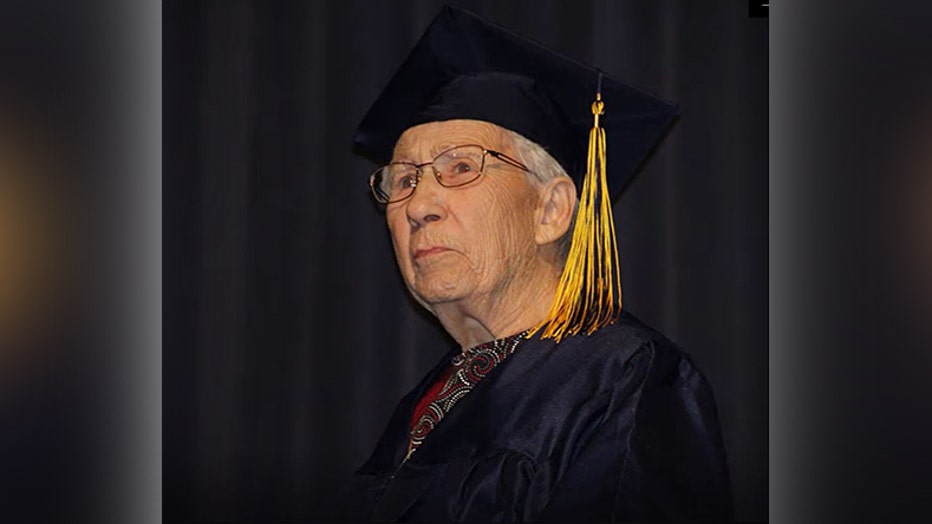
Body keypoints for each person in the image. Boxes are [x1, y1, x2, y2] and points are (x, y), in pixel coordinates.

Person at [345, 6, 732, 522]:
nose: (418, 206)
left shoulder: (624, 377)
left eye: (459, 167)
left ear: (550, 211)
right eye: (404, 181)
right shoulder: (428, 401)